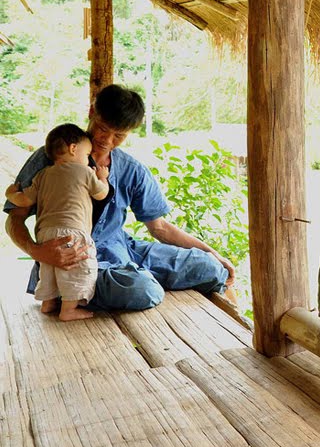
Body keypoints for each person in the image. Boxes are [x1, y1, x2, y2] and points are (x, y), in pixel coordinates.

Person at [4, 84, 235, 311]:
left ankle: (133, 275)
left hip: (122, 246)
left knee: (212, 267)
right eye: (103, 128)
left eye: (119, 135)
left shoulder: (131, 169)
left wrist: (214, 253)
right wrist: (37, 252)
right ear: (92, 112)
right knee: (141, 289)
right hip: (74, 259)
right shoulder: (51, 158)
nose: (107, 140)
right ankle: (95, 287)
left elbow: (160, 227)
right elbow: (15, 217)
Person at [5, 123, 109, 321]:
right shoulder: (85, 172)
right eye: (87, 154)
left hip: (45, 232)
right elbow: (101, 194)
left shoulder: (42, 175)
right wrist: (102, 178)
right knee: (77, 267)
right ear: (73, 148)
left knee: (50, 268)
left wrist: (10, 192)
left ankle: (48, 302)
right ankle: (69, 309)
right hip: (73, 230)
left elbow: (24, 200)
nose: (89, 160)